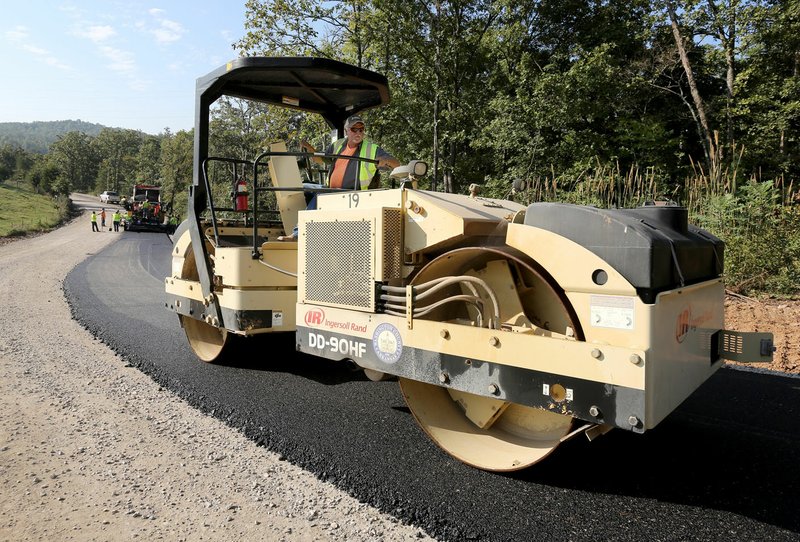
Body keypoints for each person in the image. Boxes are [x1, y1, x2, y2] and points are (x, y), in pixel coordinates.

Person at [279, 115, 400, 241]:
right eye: (354, 129)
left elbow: (396, 164)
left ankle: (298, 234)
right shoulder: (338, 145)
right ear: (347, 130)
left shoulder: (372, 149)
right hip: (331, 189)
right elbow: (322, 160)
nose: (358, 132)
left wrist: (386, 159)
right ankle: (314, 229)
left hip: (351, 193)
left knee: (319, 197)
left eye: (361, 129)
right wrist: (311, 150)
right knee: (303, 187)